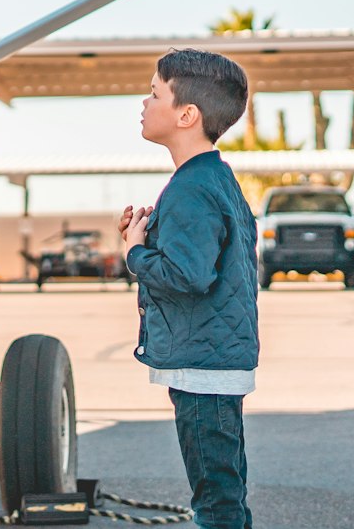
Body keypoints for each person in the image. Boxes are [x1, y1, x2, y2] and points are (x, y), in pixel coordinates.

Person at [120, 48, 258, 529]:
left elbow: (188, 276)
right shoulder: (216, 179)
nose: (144, 101)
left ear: (186, 114)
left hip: (202, 368)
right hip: (219, 361)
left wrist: (136, 253)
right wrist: (151, 232)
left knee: (214, 502)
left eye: (154, 92)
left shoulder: (189, 187)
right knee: (226, 493)